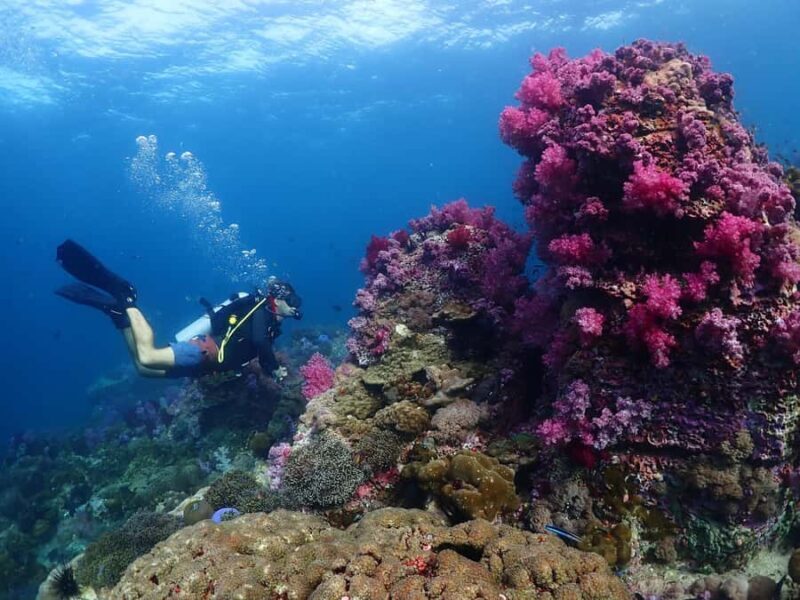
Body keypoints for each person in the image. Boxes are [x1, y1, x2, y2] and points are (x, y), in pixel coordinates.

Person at [54, 239, 302, 379]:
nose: (295, 305)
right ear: (278, 298)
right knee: (148, 356)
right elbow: (259, 340)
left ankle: (118, 315)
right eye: (292, 299)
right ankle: (125, 297)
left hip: (205, 366)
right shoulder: (262, 310)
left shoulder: (271, 320)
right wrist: (273, 369)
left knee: (143, 369)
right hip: (205, 352)